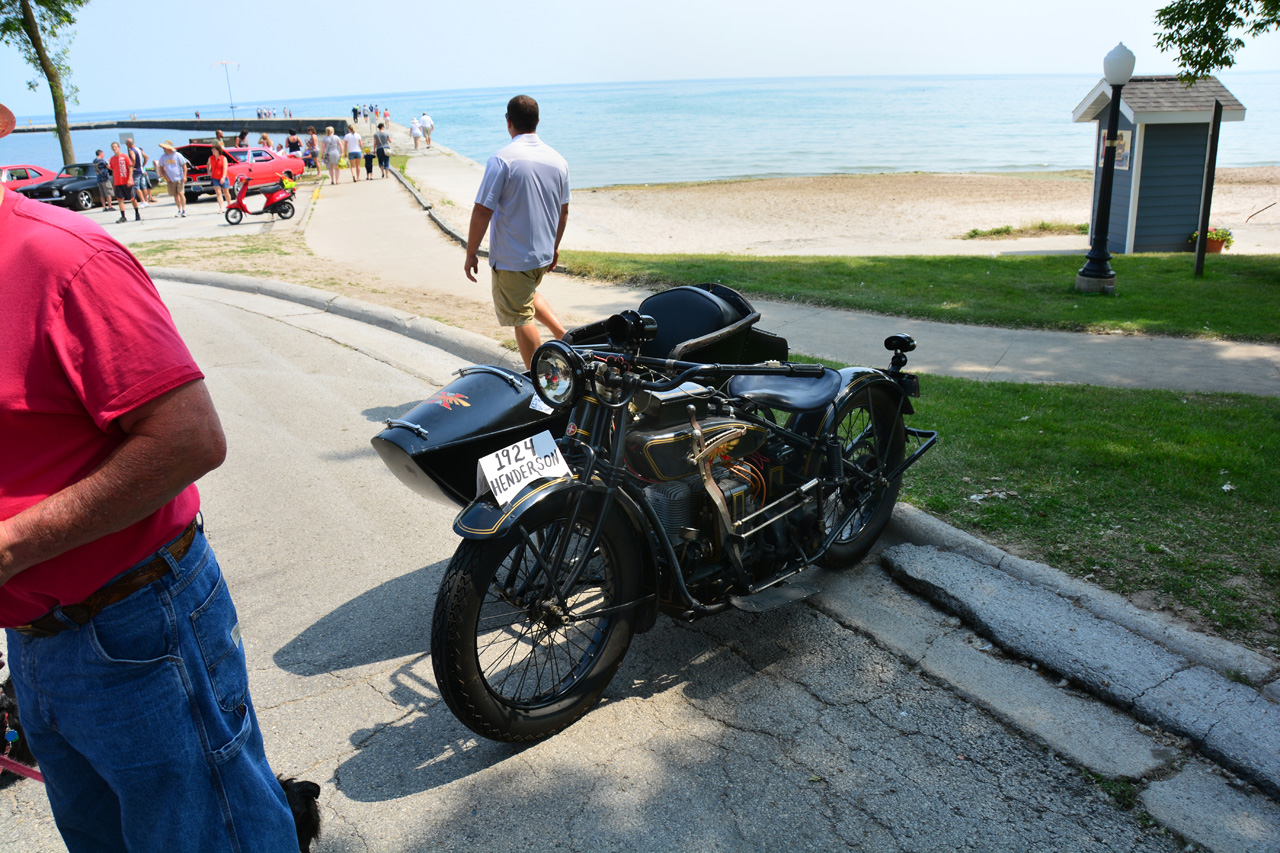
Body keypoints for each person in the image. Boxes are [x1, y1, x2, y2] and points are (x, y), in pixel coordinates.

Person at [0, 104, 300, 852]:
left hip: (136, 627)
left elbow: (189, 438)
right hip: (33, 643)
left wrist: (9, 547)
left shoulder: (63, 259)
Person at [464, 95, 569, 368]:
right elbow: (564, 210)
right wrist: (554, 247)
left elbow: (482, 210)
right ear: (537, 121)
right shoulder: (558, 160)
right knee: (525, 295)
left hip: (513, 257)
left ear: (508, 122)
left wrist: (471, 252)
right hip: (541, 255)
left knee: (521, 316)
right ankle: (564, 335)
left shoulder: (502, 159)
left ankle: (545, 381)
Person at [156, 140, 191, 217]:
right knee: (175, 195)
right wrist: (165, 176)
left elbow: (184, 166)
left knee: (181, 193)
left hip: (179, 178)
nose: (163, 149)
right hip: (170, 179)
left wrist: (184, 176)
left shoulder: (177, 155)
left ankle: (184, 210)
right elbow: (161, 167)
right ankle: (179, 210)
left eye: (164, 148)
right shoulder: (163, 157)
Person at [109, 141, 140, 222]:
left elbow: (130, 167)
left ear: (119, 147)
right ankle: (123, 216)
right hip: (118, 182)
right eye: (112, 147)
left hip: (127, 181)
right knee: (120, 199)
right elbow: (113, 170)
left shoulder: (125, 157)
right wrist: (113, 182)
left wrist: (130, 178)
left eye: (115, 146)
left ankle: (137, 213)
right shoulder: (112, 159)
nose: (114, 148)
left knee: (132, 198)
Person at [125, 138, 153, 205]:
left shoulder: (131, 150)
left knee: (136, 186)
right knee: (143, 186)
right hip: (141, 170)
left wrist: (132, 166)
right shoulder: (139, 149)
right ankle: (146, 200)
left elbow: (133, 158)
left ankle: (142, 200)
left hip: (136, 171)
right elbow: (146, 157)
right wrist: (143, 165)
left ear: (128, 144)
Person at [208, 141, 231, 212]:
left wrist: (223, 177)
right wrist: (209, 171)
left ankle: (229, 205)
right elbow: (208, 164)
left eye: (213, 149)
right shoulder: (211, 158)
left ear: (218, 150)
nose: (212, 151)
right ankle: (221, 208)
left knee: (226, 192)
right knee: (218, 193)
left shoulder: (223, 158)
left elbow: (225, 168)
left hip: (223, 177)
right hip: (215, 177)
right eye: (212, 149)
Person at [92, 148, 115, 213]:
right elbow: (110, 167)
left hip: (98, 178)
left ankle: (104, 207)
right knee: (108, 193)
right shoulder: (102, 161)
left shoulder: (94, 161)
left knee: (102, 194)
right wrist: (110, 161)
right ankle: (110, 206)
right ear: (101, 154)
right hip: (105, 178)